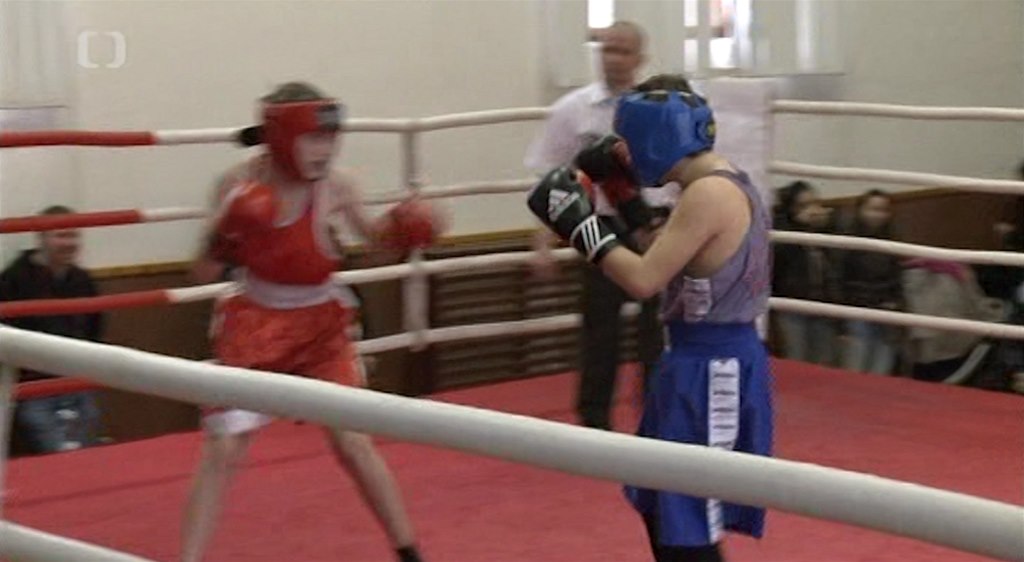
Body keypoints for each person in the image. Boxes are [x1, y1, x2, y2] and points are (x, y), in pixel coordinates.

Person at [181, 82, 437, 562]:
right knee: (224, 448)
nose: (325, 150)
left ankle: (410, 554)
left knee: (353, 442)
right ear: (281, 138)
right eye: (314, 138)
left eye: (331, 138)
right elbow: (201, 274)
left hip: (322, 327)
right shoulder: (236, 184)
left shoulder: (338, 185)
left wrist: (404, 230)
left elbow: (375, 243)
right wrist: (227, 234)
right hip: (255, 323)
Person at [527, 74, 772, 562]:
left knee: (687, 522)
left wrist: (579, 225)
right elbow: (663, 251)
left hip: (713, 367)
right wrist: (625, 199)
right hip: (692, 361)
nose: (624, 152)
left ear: (655, 134)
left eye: (627, 140)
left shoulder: (709, 194)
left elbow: (643, 279)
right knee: (662, 504)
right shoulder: (712, 183)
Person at [524, 20, 663, 431]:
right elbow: (551, 180)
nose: (613, 58)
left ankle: (658, 421)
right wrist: (542, 242)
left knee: (658, 330)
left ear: (640, 58)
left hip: (655, 223)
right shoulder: (573, 109)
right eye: (607, 49)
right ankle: (595, 426)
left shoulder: (657, 108)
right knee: (599, 328)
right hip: (598, 224)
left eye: (623, 50)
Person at [0, 205, 104, 454]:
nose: (69, 243)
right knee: (55, 447)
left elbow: (95, 329)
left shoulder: (82, 280)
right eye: (61, 235)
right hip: (32, 385)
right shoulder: (13, 280)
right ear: (41, 237)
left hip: (75, 379)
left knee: (89, 441)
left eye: (74, 235)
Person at [771, 181, 841, 365]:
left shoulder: (827, 226)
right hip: (793, 304)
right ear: (790, 207)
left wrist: (826, 225)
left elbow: (840, 255)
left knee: (824, 360)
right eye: (803, 205)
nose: (812, 209)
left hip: (823, 302)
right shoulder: (780, 227)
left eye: (815, 203)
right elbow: (778, 260)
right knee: (797, 357)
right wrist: (798, 225)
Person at [839, 189, 904, 375]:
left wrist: (897, 305)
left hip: (886, 310)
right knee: (856, 366)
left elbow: (898, 278)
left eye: (883, 210)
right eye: (873, 209)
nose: (878, 215)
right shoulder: (846, 239)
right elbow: (838, 278)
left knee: (882, 368)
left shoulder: (893, 239)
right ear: (860, 210)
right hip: (857, 309)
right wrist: (841, 323)